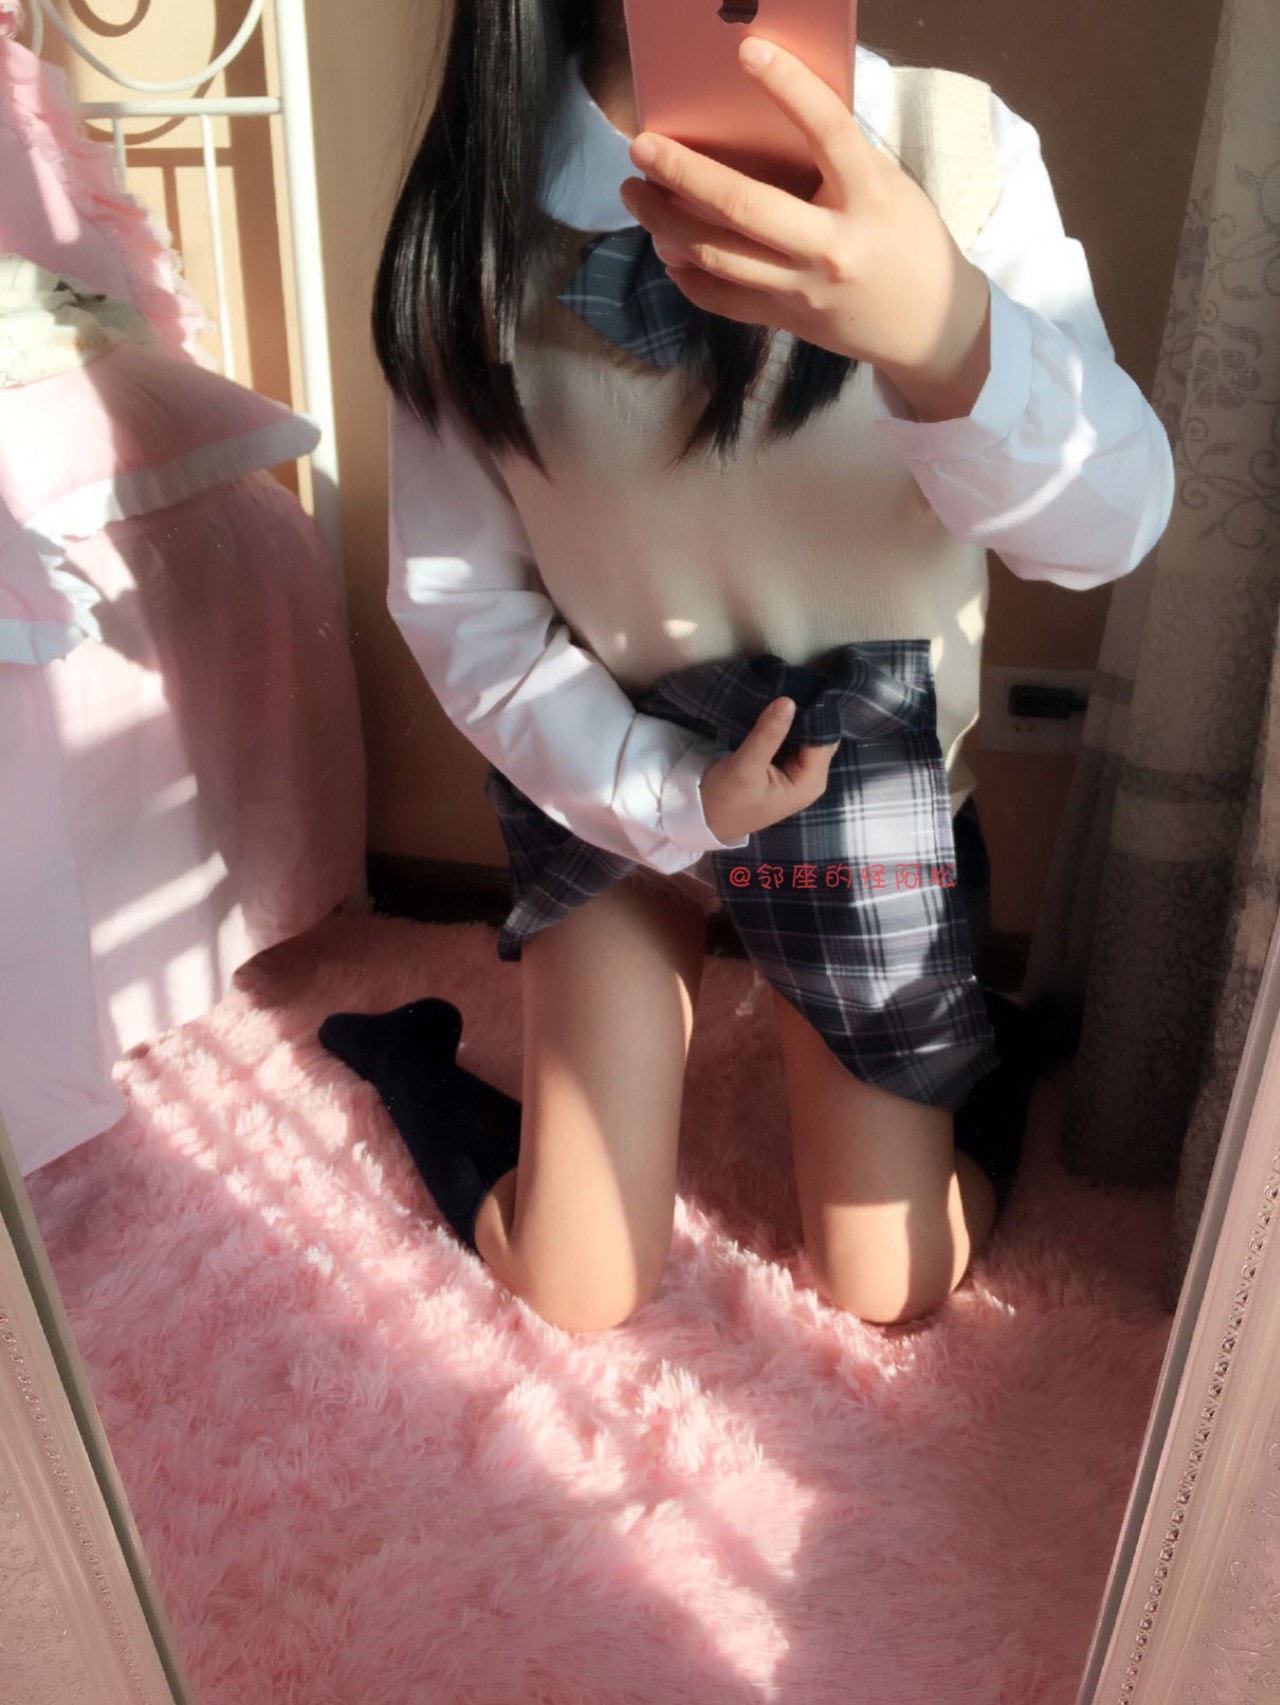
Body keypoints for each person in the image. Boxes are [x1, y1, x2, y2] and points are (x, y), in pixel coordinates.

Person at [321, 1, 1175, 1335]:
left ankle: (983, 1058)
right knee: (576, 1277)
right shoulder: (476, 216)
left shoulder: (956, 149)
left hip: (854, 787)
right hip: (611, 789)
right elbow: (461, 600)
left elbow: (1109, 529)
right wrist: (671, 792)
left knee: (890, 1281)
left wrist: (949, 332)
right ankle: (413, 1062)